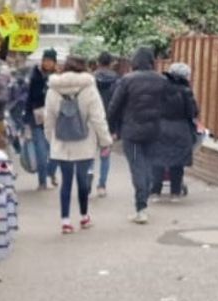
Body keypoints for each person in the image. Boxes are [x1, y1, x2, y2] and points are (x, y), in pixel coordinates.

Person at [44, 55, 112, 233]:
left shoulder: (53, 89)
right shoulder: (89, 88)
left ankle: (65, 221)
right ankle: (84, 217)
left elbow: (48, 117)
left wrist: (50, 138)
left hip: (62, 142)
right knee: (83, 181)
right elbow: (98, 117)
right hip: (84, 141)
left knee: (66, 182)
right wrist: (105, 140)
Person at [107, 47, 169, 224]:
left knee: (137, 166)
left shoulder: (127, 80)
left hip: (132, 134)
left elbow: (114, 106)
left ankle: (141, 208)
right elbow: (167, 105)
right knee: (148, 164)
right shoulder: (162, 80)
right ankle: (145, 194)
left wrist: (111, 127)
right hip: (153, 133)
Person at [151, 62, 199, 201]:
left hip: (160, 128)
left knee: (158, 160)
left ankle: (155, 192)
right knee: (177, 162)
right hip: (180, 129)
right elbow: (193, 112)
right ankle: (175, 193)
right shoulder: (186, 91)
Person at [27, 48, 60, 189]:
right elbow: (29, 98)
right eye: (45, 60)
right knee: (41, 151)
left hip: (55, 120)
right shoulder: (34, 76)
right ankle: (42, 182)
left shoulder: (59, 78)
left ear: (54, 63)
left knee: (55, 152)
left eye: (50, 61)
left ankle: (51, 172)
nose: (47, 63)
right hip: (38, 119)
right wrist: (27, 121)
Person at [93, 52, 121, 197]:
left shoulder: (90, 79)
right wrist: (116, 129)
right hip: (108, 124)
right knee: (105, 155)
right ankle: (102, 186)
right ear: (110, 63)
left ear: (98, 62)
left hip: (91, 122)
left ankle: (87, 177)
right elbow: (118, 105)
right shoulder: (117, 80)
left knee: (89, 154)